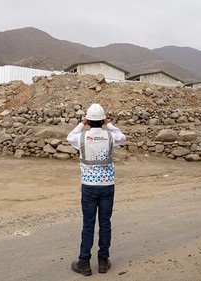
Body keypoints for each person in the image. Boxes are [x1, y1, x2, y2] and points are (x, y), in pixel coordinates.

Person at [67, 103, 126, 276]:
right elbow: (121, 136)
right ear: (102, 120)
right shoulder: (110, 137)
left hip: (89, 187)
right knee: (105, 223)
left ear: (88, 120)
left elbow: (70, 136)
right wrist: (109, 124)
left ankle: (84, 262)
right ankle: (102, 261)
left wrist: (81, 124)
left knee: (88, 224)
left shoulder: (81, 138)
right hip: (107, 186)